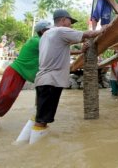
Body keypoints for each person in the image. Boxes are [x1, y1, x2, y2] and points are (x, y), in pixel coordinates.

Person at [29, 9, 101, 144]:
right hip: (51, 81)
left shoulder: (46, 35)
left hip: (43, 80)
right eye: (70, 21)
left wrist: (81, 50)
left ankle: (25, 145)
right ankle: (36, 153)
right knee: (42, 121)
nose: (71, 25)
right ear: (62, 20)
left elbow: (63, 50)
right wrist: (106, 27)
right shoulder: (61, 31)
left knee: (39, 116)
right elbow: (90, 34)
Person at [0, 20, 52, 131]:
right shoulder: (38, 41)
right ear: (44, 31)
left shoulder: (40, 41)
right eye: (51, 30)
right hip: (14, 73)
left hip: (17, 74)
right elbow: (59, 45)